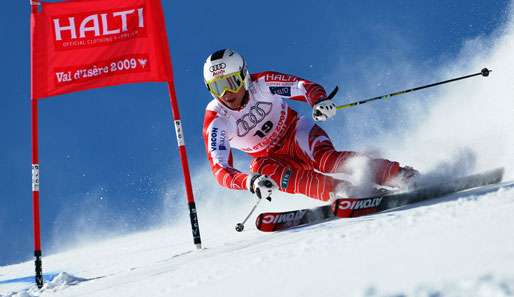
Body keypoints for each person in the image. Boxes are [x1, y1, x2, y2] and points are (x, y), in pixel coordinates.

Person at [202, 49, 417, 201]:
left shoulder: (262, 84)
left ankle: (400, 175)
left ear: (243, 76)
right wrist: (250, 182)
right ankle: (342, 191)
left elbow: (303, 86)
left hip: (296, 133)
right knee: (259, 169)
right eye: (217, 87)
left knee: (326, 160)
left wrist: (319, 102)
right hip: (272, 158)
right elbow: (219, 169)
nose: (226, 94)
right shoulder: (217, 120)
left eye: (231, 83)